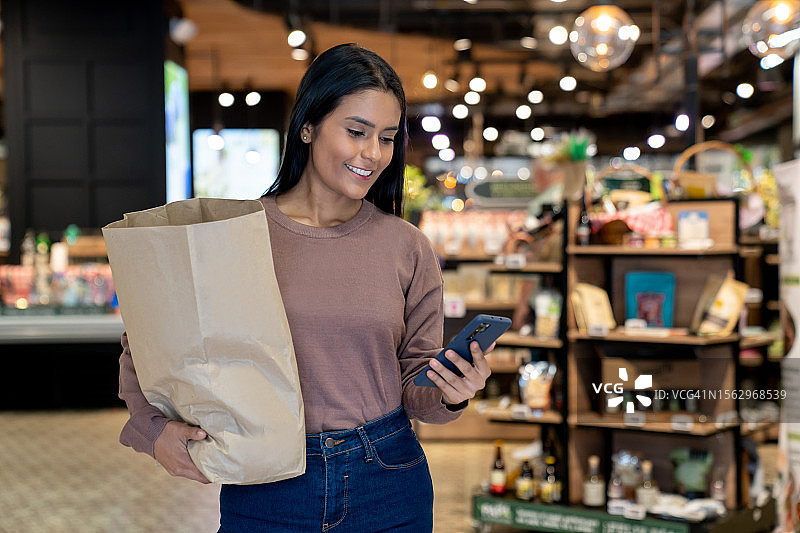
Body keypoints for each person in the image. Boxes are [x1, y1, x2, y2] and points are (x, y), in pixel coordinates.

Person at [117, 43, 494, 532]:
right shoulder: (231, 236)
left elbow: (414, 386)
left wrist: (451, 392)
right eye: (356, 132)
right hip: (267, 486)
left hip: (388, 480)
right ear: (308, 126)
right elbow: (143, 350)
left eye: (386, 137)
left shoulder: (408, 248)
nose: (372, 154)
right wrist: (155, 431)